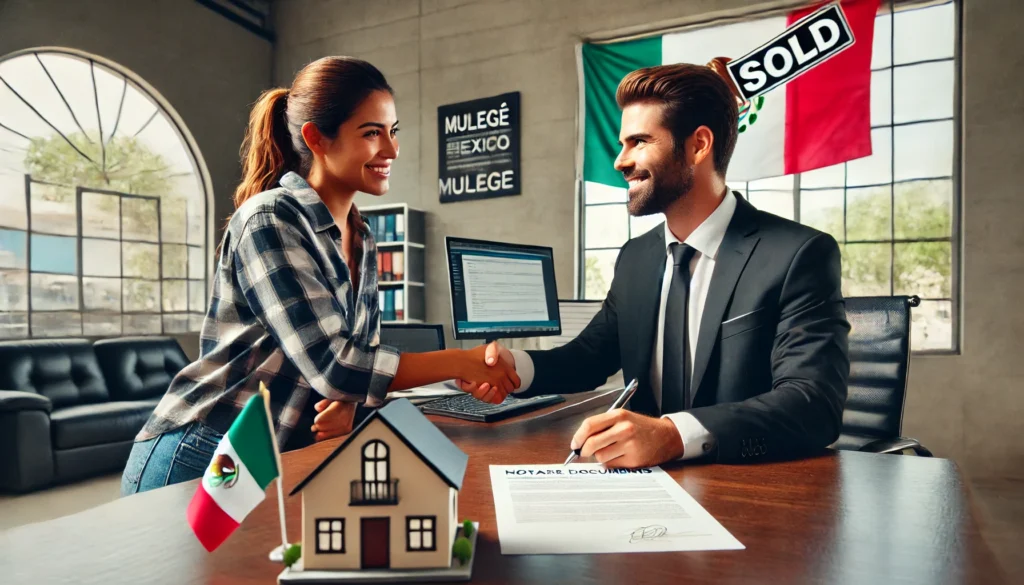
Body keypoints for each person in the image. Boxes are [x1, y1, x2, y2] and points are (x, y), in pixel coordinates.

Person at [121, 57, 517, 496]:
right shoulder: (271, 220)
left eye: (393, 131)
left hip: (277, 456)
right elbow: (337, 365)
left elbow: (353, 363)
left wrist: (346, 402)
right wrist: (465, 360)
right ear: (316, 138)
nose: (391, 149)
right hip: (203, 452)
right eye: (372, 133)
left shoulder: (363, 239)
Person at [461, 63, 849, 468]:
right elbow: (590, 357)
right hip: (642, 487)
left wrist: (671, 435)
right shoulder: (636, 257)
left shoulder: (798, 254)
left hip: (747, 491)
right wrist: (515, 369)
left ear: (698, 145)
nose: (619, 161)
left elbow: (812, 403)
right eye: (622, 144)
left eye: (638, 142)